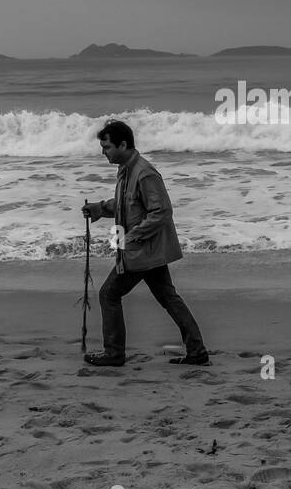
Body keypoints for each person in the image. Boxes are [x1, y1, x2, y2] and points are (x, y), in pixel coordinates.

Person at [80, 119, 210, 367]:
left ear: (123, 144)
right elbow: (126, 205)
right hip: (148, 252)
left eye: (106, 147)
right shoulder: (127, 170)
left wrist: (131, 237)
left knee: (109, 294)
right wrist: (100, 208)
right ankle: (197, 351)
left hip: (142, 252)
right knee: (168, 298)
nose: (103, 152)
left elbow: (162, 212)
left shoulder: (145, 173)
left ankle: (114, 353)